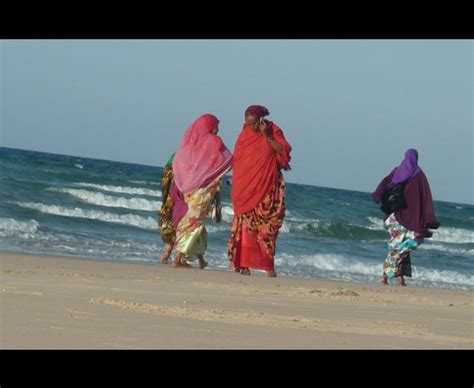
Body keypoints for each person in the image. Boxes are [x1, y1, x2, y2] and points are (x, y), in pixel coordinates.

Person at [227, 105, 292, 277]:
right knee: (247, 228)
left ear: (261, 120)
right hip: (246, 189)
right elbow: (240, 163)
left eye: (254, 123)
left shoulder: (274, 131)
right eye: (248, 124)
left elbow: (283, 152)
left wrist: (268, 137)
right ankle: (245, 265)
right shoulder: (244, 136)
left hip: (268, 188)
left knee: (268, 229)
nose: (252, 127)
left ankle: (268, 266)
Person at [171, 113, 233, 269]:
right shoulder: (213, 142)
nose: (217, 130)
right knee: (194, 224)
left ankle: (200, 259)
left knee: (197, 222)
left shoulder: (190, 144)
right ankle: (178, 258)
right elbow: (226, 161)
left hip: (190, 190)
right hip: (203, 192)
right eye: (216, 126)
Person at [372, 148, 440, 286]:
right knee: (404, 246)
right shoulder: (420, 176)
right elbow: (425, 198)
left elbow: (385, 184)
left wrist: (378, 196)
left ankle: (391, 276)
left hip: (394, 217)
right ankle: (388, 275)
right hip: (406, 217)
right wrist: (426, 217)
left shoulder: (398, 171)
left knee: (397, 247)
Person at [157, 152, 176, 264]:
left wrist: (163, 203)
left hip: (168, 201)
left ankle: (167, 251)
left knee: (167, 228)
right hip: (180, 201)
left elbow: (165, 189)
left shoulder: (168, 172)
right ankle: (170, 253)